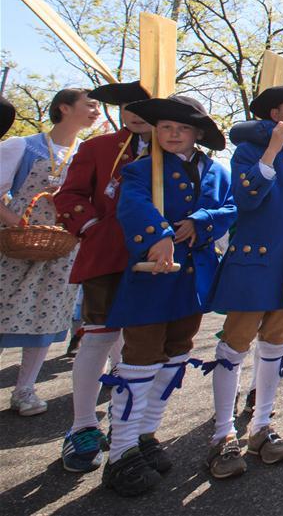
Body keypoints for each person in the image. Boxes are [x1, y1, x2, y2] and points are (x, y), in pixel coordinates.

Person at [101, 95, 235, 496]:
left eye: (182, 128)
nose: (172, 134)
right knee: (140, 356)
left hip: (191, 278)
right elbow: (133, 206)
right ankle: (120, 452)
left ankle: (145, 434)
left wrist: (201, 220)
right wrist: (157, 237)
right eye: (165, 128)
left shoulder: (217, 171)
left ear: (198, 134)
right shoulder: (141, 169)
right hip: (152, 274)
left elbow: (230, 208)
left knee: (176, 351)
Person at [203, 85, 283, 479]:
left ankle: (261, 426)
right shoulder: (248, 151)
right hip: (252, 265)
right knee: (235, 344)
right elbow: (246, 198)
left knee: (276, 346)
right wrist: (271, 151)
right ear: (274, 115)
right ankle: (222, 433)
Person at [54, 81, 152, 472]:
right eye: (128, 105)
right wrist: (94, 226)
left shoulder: (175, 151)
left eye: (144, 105)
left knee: (141, 346)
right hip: (107, 256)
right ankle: (82, 425)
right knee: (98, 337)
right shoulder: (96, 148)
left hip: (157, 261)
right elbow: (69, 195)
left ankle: (128, 425)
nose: (134, 112)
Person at [0, 88, 99, 417]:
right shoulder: (22, 146)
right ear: (64, 107)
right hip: (16, 242)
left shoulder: (85, 153)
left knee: (45, 313)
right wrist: (15, 222)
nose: (96, 111)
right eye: (90, 105)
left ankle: (24, 388)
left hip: (60, 245)